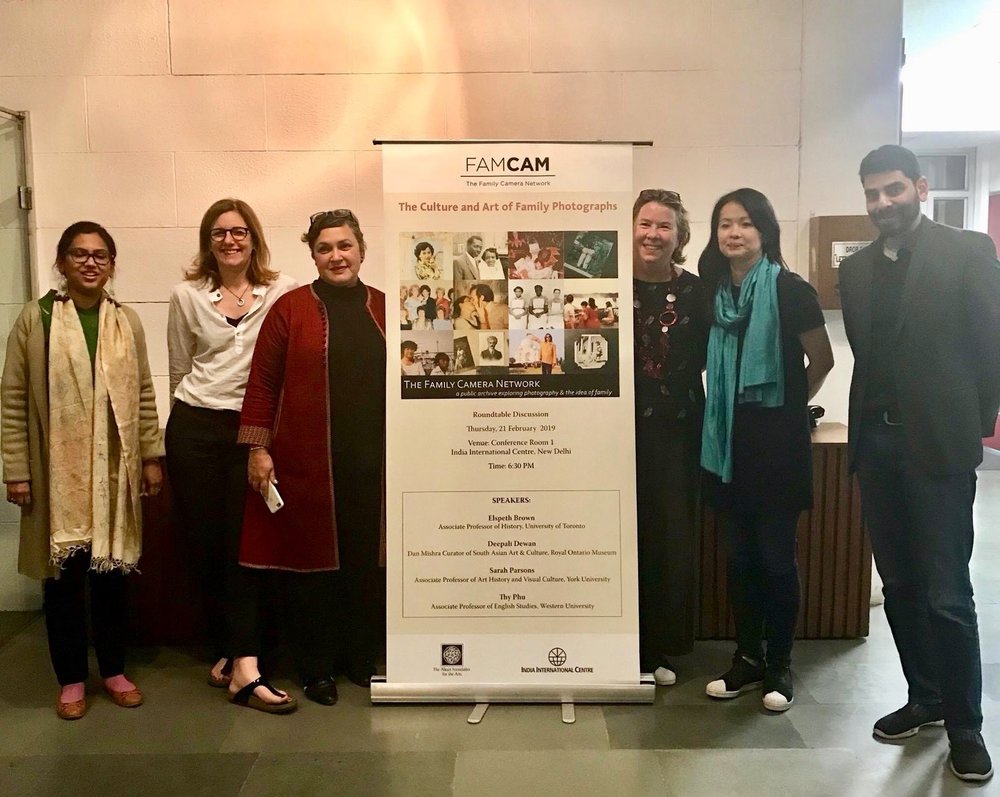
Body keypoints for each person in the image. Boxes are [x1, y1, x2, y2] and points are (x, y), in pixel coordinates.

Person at [839, 145, 1000, 782]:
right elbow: (870, 356)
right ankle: (925, 696)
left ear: (921, 187)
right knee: (900, 585)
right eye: (873, 194)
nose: (883, 203)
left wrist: (972, 428)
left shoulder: (966, 252)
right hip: (877, 449)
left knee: (947, 594)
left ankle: (965, 725)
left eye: (894, 190)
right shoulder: (853, 272)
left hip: (937, 449)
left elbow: (991, 348)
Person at [1, 221, 164, 720]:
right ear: (62, 262)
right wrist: (17, 470)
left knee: (111, 575)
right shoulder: (37, 319)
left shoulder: (126, 322)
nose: (90, 263)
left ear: (112, 265)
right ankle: (71, 679)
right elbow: (13, 398)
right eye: (79, 254)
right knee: (64, 581)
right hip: (57, 476)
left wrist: (150, 455)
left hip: (115, 472)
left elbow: (142, 394)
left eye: (100, 255)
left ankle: (113, 670)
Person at [234, 209, 386, 711]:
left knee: (367, 563)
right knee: (312, 570)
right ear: (313, 255)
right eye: (325, 248)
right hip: (307, 462)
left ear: (361, 249)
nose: (336, 256)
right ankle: (316, 668)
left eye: (345, 246)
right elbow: (262, 383)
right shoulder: (290, 309)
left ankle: (362, 659)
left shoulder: (388, 308)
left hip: (374, 465)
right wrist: (258, 448)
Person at [699, 188, 833, 712]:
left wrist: (789, 407)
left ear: (764, 232)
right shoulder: (711, 293)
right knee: (739, 558)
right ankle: (747, 659)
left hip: (776, 446)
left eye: (746, 224)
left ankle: (779, 664)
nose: (734, 233)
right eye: (725, 224)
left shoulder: (791, 290)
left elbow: (819, 361)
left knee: (777, 559)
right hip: (726, 443)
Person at [166, 198, 297, 694]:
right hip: (196, 426)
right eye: (219, 233)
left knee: (246, 543)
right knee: (208, 543)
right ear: (208, 242)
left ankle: (247, 659)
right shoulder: (186, 295)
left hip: (253, 430)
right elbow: (180, 365)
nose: (230, 240)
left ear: (254, 238)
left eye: (239, 231)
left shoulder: (281, 291)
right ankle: (232, 647)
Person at [630, 189, 711, 687]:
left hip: (678, 430)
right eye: (645, 223)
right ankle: (620, 643)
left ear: (679, 235)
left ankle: (658, 646)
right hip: (615, 432)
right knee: (622, 533)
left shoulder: (700, 293)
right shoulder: (608, 286)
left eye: (664, 227)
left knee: (668, 537)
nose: (653, 234)